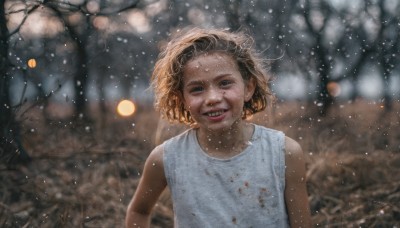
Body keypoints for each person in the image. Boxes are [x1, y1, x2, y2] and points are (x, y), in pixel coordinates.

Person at [125, 27, 312, 228]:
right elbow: (138, 211)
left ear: (248, 88)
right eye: (197, 89)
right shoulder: (166, 159)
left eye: (224, 83)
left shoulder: (284, 153)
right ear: (182, 99)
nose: (212, 98)